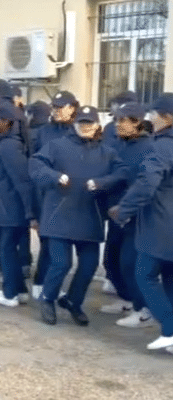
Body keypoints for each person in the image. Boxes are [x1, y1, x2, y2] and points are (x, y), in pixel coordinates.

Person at [30, 106, 127, 326]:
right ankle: (48, 299)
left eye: (89, 123)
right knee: (61, 264)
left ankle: (74, 301)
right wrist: (54, 176)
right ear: (75, 125)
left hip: (89, 217)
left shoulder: (107, 152)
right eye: (82, 123)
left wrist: (102, 183)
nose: (85, 127)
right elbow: (35, 165)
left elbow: (122, 174)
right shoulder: (57, 146)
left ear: (97, 126)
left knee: (89, 265)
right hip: (58, 215)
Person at [109, 93, 173, 353]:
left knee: (144, 273)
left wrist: (124, 209)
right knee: (169, 276)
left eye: (153, 115)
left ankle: (169, 329)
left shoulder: (161, 147)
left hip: (160, 222)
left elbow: (147, 183)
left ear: (166, 117)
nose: (151, 120)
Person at [99, 102, 157, 328]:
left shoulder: (149, 149)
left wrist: (129, 208)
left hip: (135, 216)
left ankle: (144, 311)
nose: (118, 125)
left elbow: (145, 184)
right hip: (116, 214)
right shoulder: (119, 146)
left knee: (128, 263)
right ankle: (127, 300)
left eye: (123, 120)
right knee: (110, 261)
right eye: (116, 120)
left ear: (137, 123)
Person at [29, 91, 80, 299]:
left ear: (73, 108)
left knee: (60, 246)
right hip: (47, 194)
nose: (57, 111)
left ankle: (49, 285)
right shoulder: (44, 132)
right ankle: (42, 284)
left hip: (72, 196)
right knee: (48, 242)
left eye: (62, 106)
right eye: (55, 107)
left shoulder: (80, 131)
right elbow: (34, 166)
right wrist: (33, 209)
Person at [0, 101, 37, 307]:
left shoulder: (8, 146)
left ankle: (9, 293)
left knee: (6, 249)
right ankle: (19, 289)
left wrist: (30, 211)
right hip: (12, 207)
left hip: (11, 208)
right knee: (12, 249)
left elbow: (22, 181)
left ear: (7, 122)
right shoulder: (15, 143)